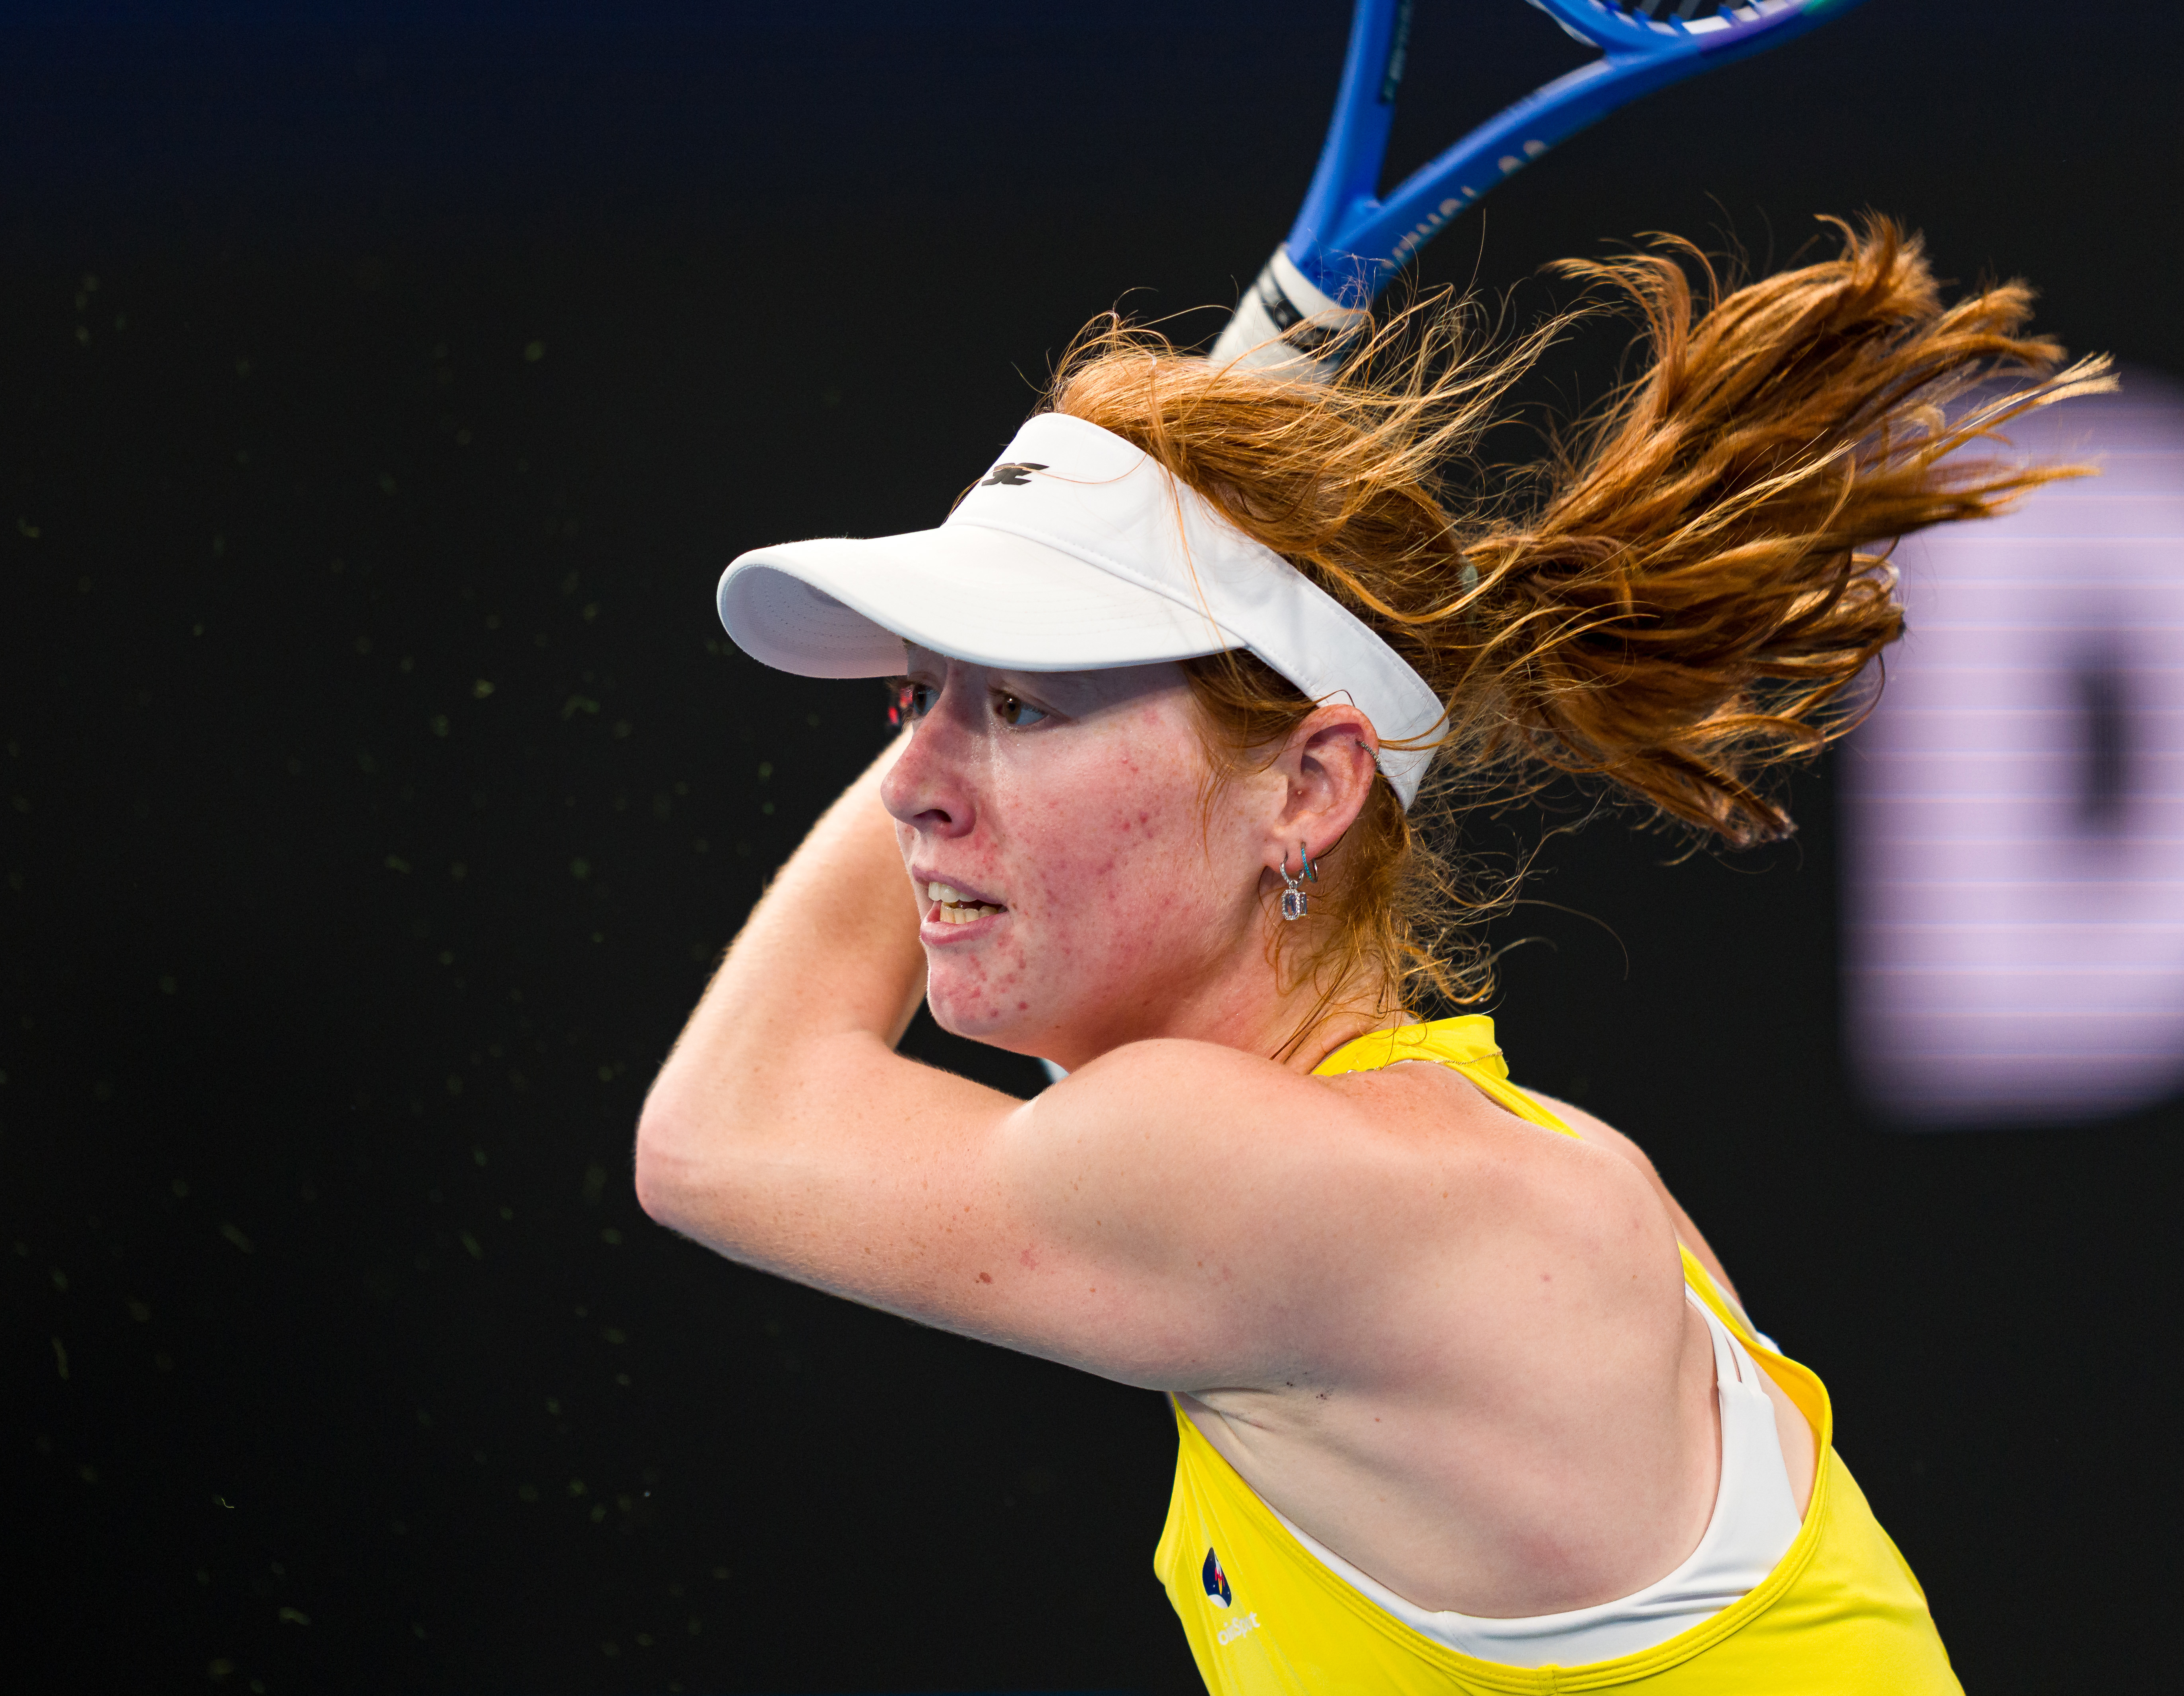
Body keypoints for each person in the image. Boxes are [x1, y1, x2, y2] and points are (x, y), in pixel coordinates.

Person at [637, 219, 2106, 1692]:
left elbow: (729, 1125)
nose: (912, 783)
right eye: (915, 699)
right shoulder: (1522, 1174)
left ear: (1311, 789)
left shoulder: (1237, 1175)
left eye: (1019, 708)